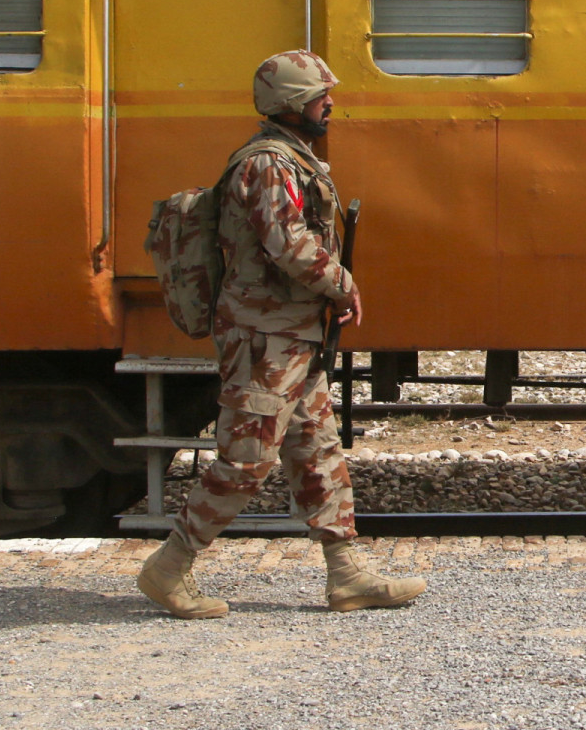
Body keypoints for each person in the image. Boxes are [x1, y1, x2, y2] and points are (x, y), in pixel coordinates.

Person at [137, 50, 426, 619]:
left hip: (292, 333)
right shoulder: (268, 164)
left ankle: (347, 576)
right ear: (292, 104)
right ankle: (167, 570)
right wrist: (342, 285)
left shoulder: (293, 158)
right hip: (264, 338)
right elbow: (287, 242)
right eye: (321, 96)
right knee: (247, 460)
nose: (330, 104)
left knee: (317, 449)